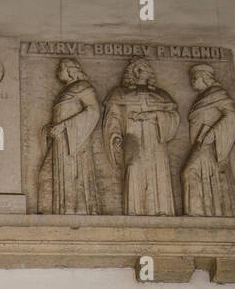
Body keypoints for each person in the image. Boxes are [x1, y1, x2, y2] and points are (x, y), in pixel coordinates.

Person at [103, 58, 180, 216]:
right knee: (133, 166)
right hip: (132, 138)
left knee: (157, 170)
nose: (139, 71)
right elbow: (113, 118)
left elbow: (173, 117)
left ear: (149, 72)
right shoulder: (120, 94)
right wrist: (115, 136)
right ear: (130, 72)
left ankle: (161, 210)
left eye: (143, 67)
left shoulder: (161, 96)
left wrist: (154, 116)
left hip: (155, 140)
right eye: (136, 68)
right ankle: (134, 210)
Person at [36, 58, 105, 214]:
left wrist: (65, 126)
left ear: (71, 70)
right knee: (45, 174)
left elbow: (93, 111)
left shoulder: (83, 87)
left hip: (75, 139)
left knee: (74, 172)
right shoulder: (65, 91)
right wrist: (51, 130)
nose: (58, 72)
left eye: (61, 68)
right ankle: (59, 209)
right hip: (60, 138)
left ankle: (76, 210)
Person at [181, 63, 235, 217]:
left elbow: (232, 116)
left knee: (190, 172)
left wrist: (213, 133)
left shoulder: (217, 93)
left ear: (204, 78)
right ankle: (207, 211)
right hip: (199, 141)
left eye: (195, 78)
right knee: (203, 174)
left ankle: (197, 213)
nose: (192, 82)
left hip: (208, 142)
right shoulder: (201, 97)